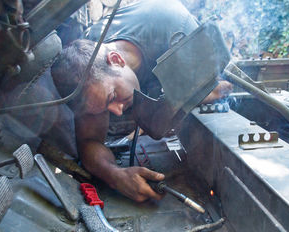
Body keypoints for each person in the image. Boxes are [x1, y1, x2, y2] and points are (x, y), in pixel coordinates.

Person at [51, 0, 232, 202]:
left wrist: (191, 96)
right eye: (105, 108)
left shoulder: (175, 29)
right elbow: (89, 141)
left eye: (112, 98)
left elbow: (217, 88)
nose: (117, 111)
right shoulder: (85, 68)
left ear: (117, 60)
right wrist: (114, 175)